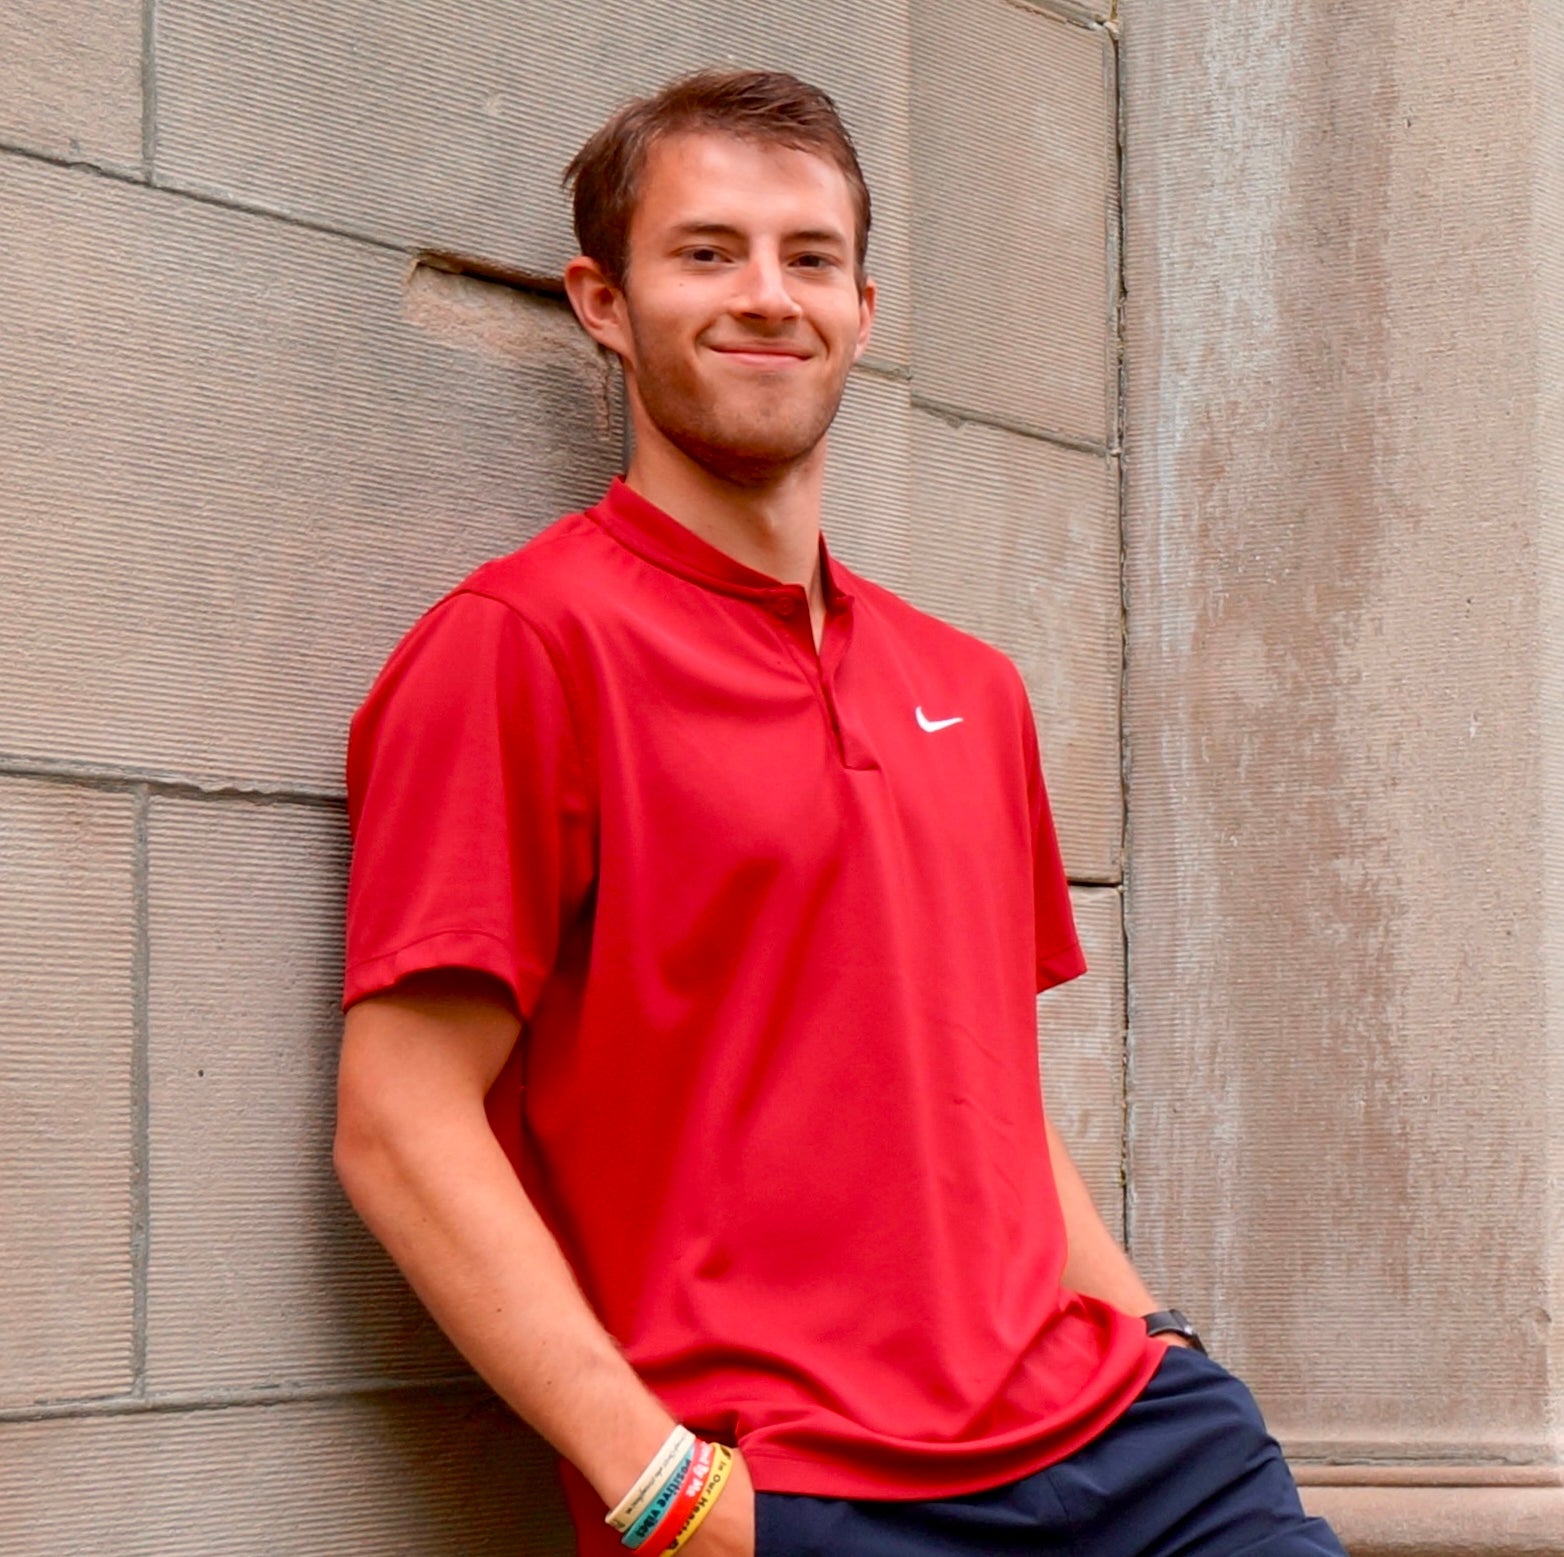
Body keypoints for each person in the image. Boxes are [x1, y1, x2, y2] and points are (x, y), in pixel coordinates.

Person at [334, 68, 1346, 1557]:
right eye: (707, 251)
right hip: (806, 1493)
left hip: (1139, 1448)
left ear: (864, 310)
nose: (766, 295)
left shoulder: (972, 685)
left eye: (809, 257)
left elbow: (982, 1092)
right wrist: (667, 1494)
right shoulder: (522, 648)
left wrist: (1161, 1339)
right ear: (600, 302)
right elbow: (400, 1125)